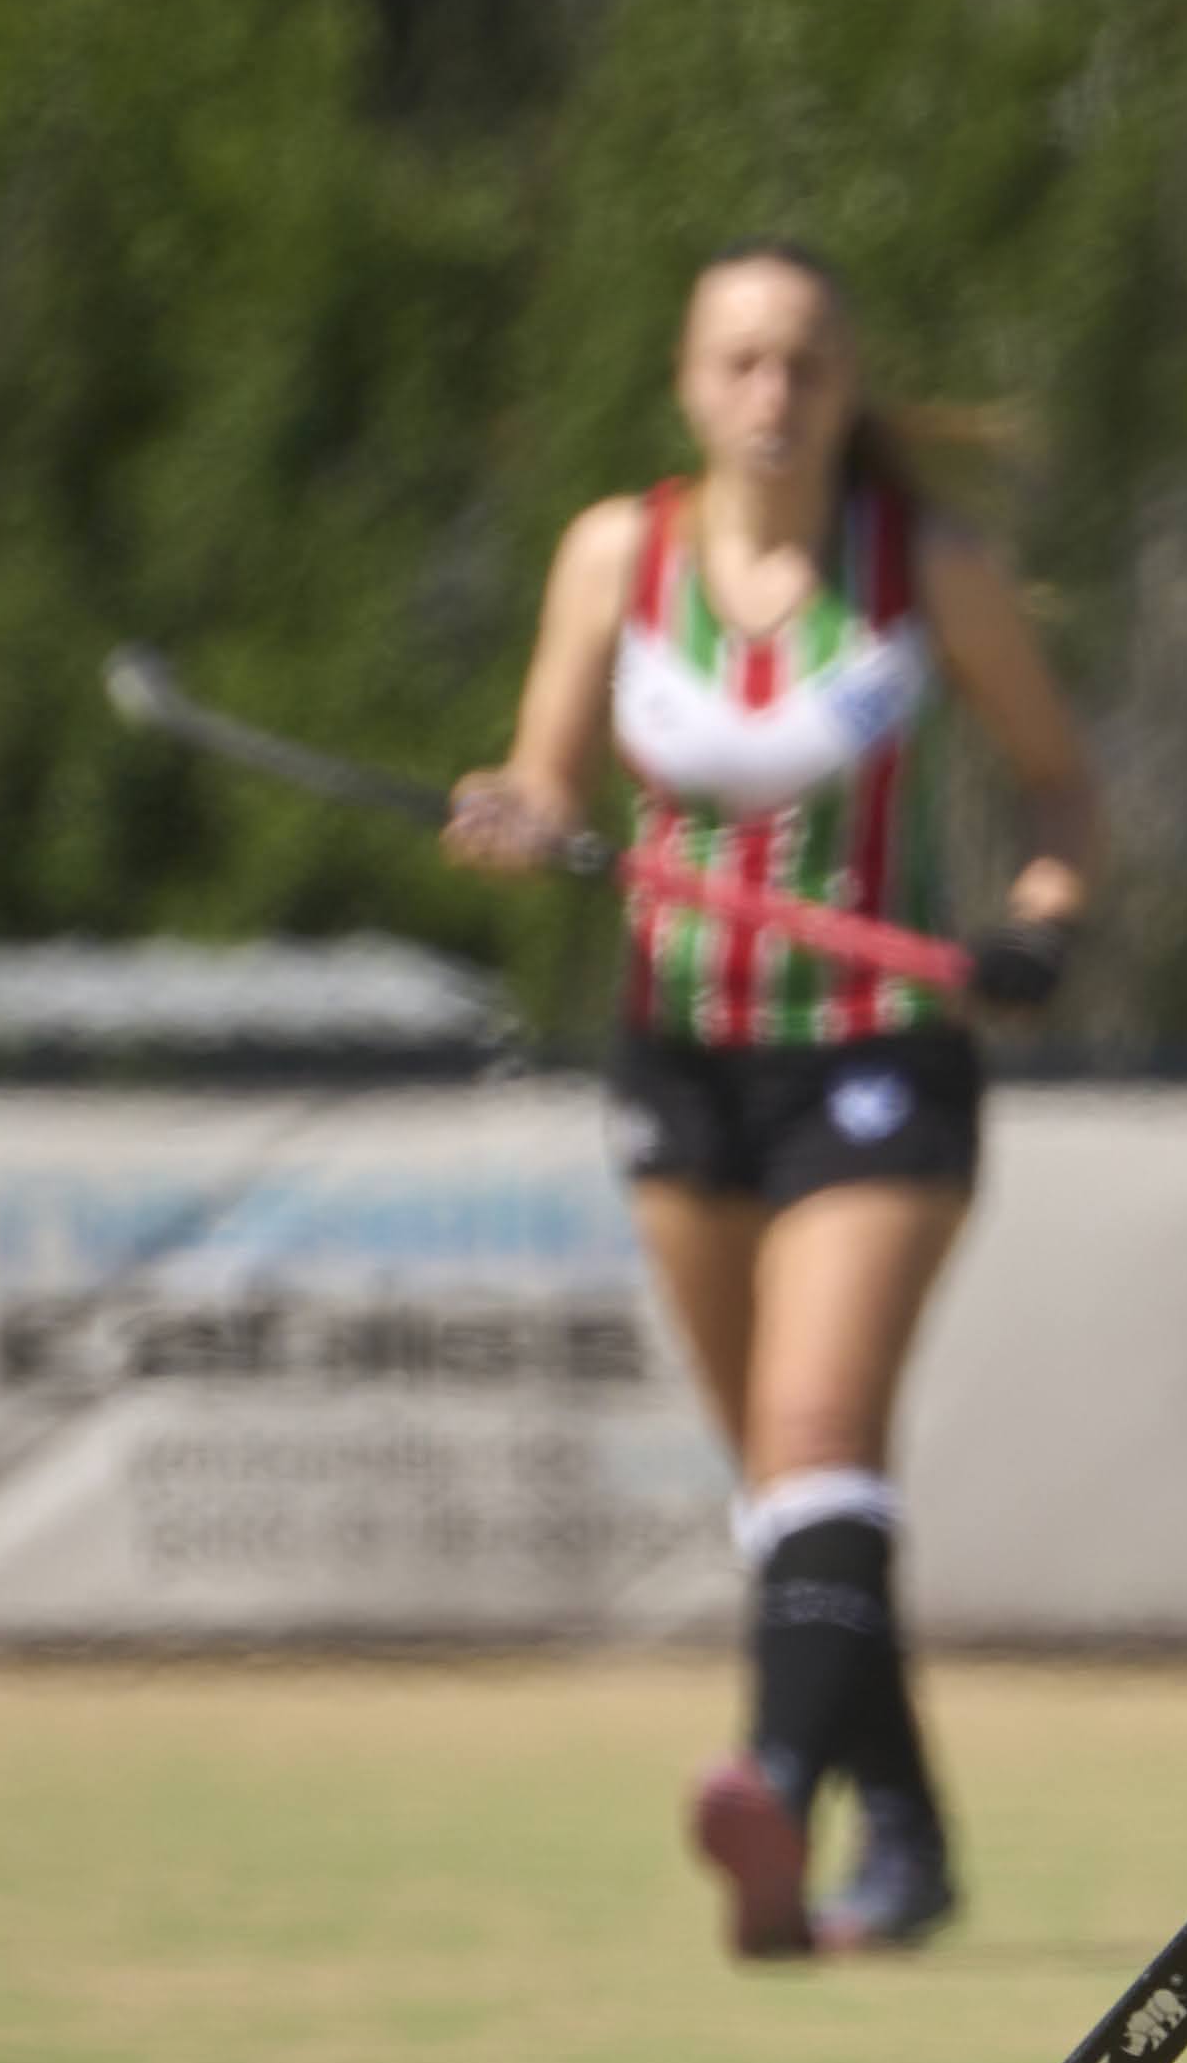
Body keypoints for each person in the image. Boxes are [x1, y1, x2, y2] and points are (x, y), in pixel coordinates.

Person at [451, 243, 1097, 1957]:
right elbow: (544, 771)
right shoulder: (619, 554)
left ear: (845, 386)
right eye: (737, 362)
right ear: (686, 383)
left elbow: (1058, 787)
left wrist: (1041, 917)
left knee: (814, 1441)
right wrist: (514, 813)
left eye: (802, 363)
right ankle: (905, 1836)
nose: (769, 395)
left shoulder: (926, 570)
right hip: (679, 1060)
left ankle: (771, 1782)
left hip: (881, 1058)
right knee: (795, 1491)